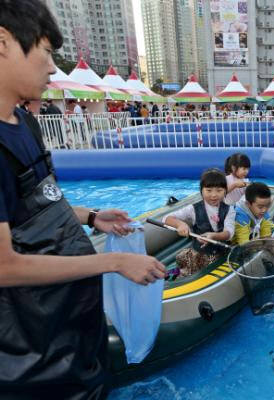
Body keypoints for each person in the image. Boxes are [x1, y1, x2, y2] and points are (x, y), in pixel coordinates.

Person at [0, 1, 165, 397]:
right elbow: (4, 268)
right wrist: (114, 261)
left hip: (71, 323)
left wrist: (91, 217)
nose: (53, 68)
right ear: (3, 41)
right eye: (46, 51)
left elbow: (34, 203)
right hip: (30, 349)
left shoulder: (25, 124)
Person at [163, 169, 235, 277]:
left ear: (225, 191)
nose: (214, 195)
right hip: (198, 251)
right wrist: (180, 224)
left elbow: (229, 233)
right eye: (209, 190)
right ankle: (178, 272)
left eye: (219, 190)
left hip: (217, 254)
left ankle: (181, 274)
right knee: (184, 259)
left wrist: (214, 236)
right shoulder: (193, 209)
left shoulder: (229, 210)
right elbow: (166, 218)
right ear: (201, 191)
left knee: (197, 270)